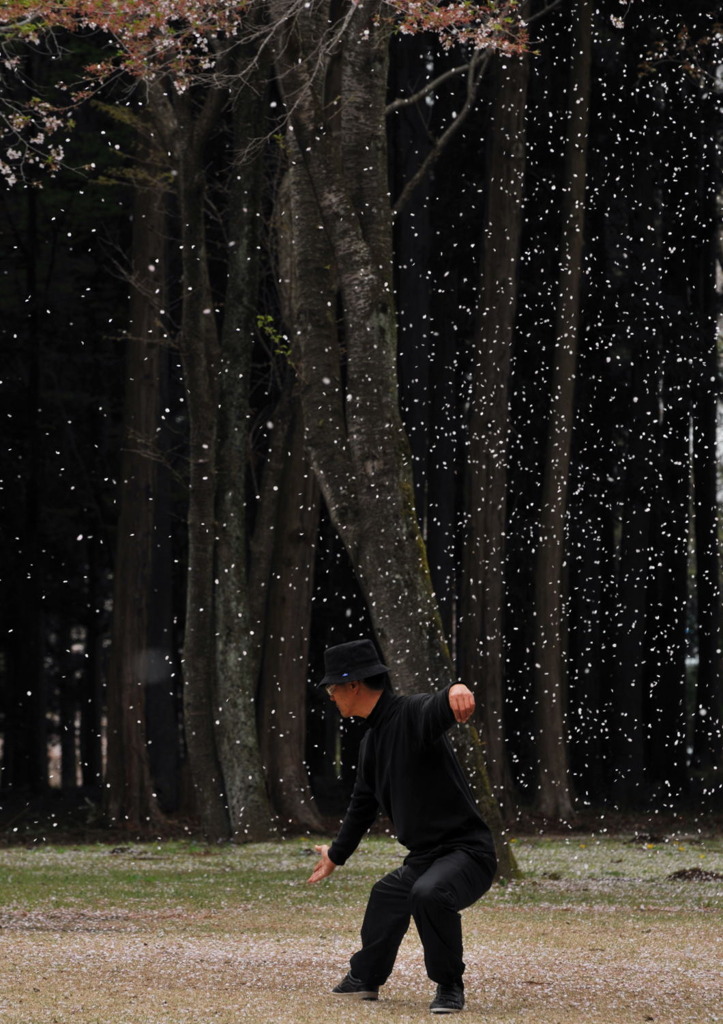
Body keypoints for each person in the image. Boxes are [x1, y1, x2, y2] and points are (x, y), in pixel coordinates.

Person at [307, 638, 497, 1015]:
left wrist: (455, 691)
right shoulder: (372, 742)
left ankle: (448, 985)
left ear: (353, 685)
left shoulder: (411, 715)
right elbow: (362, 805)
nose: (331, 697)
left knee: (428, 893)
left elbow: (436, 707)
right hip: (426, 857)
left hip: (468, 853)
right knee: (388, 894)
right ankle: (365, 978)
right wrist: (336, 855)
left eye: (333, 688)